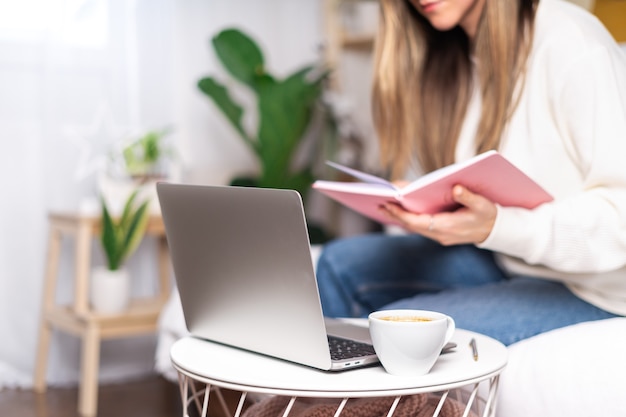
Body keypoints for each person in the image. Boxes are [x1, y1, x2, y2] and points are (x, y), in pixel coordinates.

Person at [315, 0, 626, 346]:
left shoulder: (571, 41)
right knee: (337, 265)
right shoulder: (456, 55)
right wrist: (430, 203)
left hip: (597, 288)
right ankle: (323, 396)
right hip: (508, 259)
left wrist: (499, 225)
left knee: (401, 337)